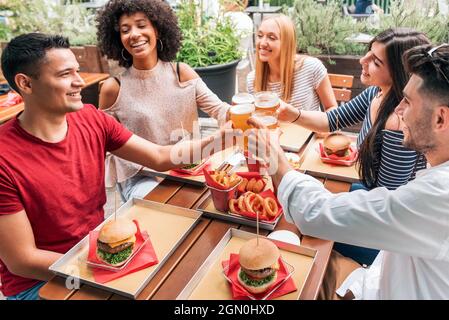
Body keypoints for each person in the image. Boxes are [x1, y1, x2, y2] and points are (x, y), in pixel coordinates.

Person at [0, 33, 232, 300]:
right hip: (39, 283)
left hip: (100, 256)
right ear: (25, 83)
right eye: (65, 75)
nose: (79, 82)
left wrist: (221, 139)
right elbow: (22, 260)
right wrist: (107, 267)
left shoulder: (92, 119)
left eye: (78, 71)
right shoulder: (4, 157)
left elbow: (158, 156)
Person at [248, 42, 449, 299]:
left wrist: (273, 155)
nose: (400, 109)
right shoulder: (434, 181)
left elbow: (317, 214)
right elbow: (401, 250)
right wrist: (355, 288)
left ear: (440, 119)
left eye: (408, 102)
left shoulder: (438, 197)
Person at [276, 28, 430, 266]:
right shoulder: (375, 94)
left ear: (398, 73)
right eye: (368, 53)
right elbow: (332, 120)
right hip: (368, 195)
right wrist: (291, 113)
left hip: (383, 232)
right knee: (299, 213)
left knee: (305, 231)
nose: (363, 61)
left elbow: (384, 201)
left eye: (375, 61)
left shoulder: (398, 124)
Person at [96, 0, 230, 202]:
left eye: (141, 25)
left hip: (189, 169)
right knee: (161, 204)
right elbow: (104, 146)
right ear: (118, 39)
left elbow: (220, 110)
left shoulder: (181, 73)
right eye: (125, 30)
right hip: (142, 179)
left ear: (157, 30)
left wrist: (243, 115)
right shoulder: (114, 88)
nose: (134, 34)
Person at [247, 14, 337, 112]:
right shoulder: (253, 79)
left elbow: (332, 109)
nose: (262, 43)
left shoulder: (311, 68)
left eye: (271, 38)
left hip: (309, 128)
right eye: (260, 36)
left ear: (287, 43)